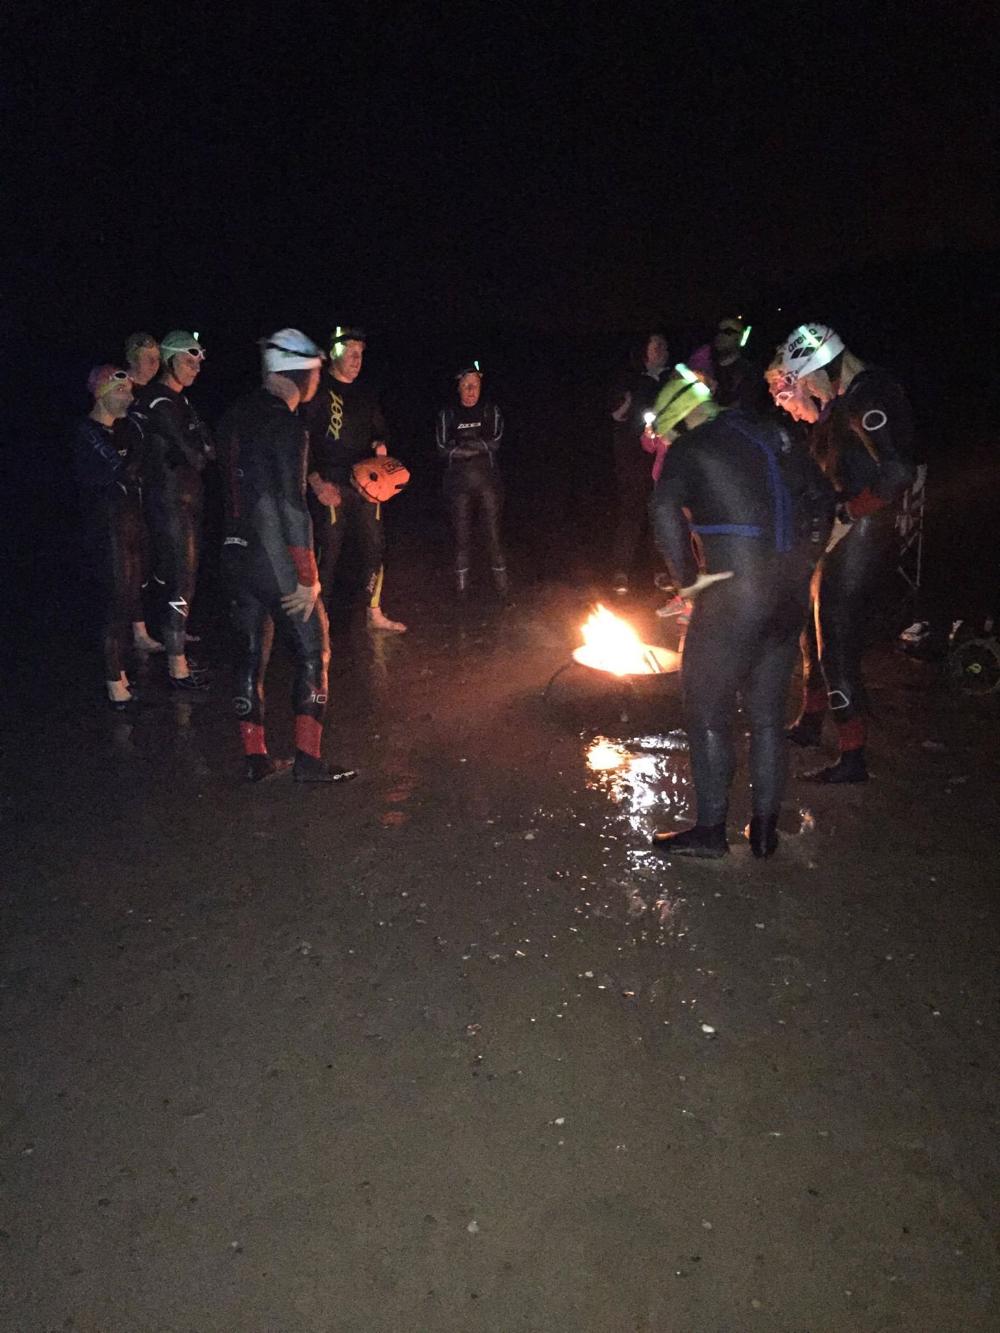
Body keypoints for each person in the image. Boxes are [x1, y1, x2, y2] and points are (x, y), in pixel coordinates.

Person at [649, 383, 833, 858]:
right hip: (788, 593)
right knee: (768, 714)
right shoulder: (774, 434)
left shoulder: (691, 447)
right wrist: (807, 558)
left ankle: (711, 831)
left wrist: (688, 583)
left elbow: (662, 509)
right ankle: (765, 830)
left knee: (706, 707)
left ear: (680, 419)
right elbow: (824, 500)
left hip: (736, 595)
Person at [768, 323, 916, 783]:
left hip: (863, 530)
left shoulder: (870, 394)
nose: (804, 393)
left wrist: (851, 513)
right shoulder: (844, 400)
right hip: (841, 529)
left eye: (802, 381)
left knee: (836, 640)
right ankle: (812, 723)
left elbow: (897, 472)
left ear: (818, 368)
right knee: (811, 634)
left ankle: (853, 757)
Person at [217, 330, 357, 784]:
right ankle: (308, 761)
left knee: (249, 657)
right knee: (315, 651)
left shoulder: (233, 416)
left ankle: (255, 758)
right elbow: (291, 504)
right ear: (302, 372)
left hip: (233, 552)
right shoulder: (288, 424)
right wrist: (307, 576)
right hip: (275, 556)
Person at [302, 326, 405, 633]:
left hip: (365, 484)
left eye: (361, 354)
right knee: (327, 554)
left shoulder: (366, 393)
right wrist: (315, 483)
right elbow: (301, 440)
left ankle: (374, 612)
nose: (357, 359)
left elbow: (379, 432)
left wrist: (380, 448)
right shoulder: (319, 390)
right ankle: (318, 619)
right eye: (350, 352)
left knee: (375, 546)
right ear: (334, 353)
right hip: (329, 482)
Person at [130, 329, 213, 688]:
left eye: (198, 362)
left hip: (188, 502)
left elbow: (210, 446)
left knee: (183, 579)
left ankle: (174, 643)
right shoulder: (160, 401)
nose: (195, 368)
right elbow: (197, 455)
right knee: (182, 580)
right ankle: (177, 666)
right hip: (169, 504)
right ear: (169, 361)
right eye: (188, 360)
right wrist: (198, 449)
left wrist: (200, 448)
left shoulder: (181, 401)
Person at [71, 366, 150, 707]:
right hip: (105, 526)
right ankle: (113, 681)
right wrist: (136, 456)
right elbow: (122, 471)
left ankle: (122, 675)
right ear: (103, 393)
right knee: (116, 601)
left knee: (131, 594)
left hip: (129, 521)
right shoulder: (87, 432)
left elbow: (137, 471)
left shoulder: (123, 430)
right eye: (123, 391)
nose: (130, 398)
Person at [608, 329, 672, 594]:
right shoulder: (631, 380)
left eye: (663, 345)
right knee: (632, 514)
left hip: (666, 459)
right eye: (655, 345)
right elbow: (616, 415)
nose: (660, 350)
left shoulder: (673, 379)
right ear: (644, 352)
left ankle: (662, 571)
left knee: (661, 515)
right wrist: (626, 405)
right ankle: (621, 571)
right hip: (634, 460)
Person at [435, 361, 507, 597]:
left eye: (475, 385)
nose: (471, 391)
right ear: (458, 387)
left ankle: (502, 588)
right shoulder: (448, 413)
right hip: (458, 485)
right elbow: (443, 448)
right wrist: (476, 447)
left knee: (493, 535)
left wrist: (463, 446)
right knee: (462, 536)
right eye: (466, 386)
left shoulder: (490, 410)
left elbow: (495, 443)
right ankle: (462, 591)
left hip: (488, 483)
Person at [687, 316, 766, 411]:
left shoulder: (748, 372)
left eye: (728, 332)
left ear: (739, 337)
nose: (720, 335)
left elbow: (741, 410)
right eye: (718, 331)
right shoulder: (704, 362)